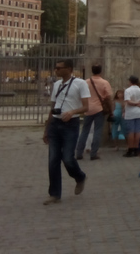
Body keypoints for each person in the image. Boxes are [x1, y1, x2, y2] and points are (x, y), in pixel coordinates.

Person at [42, 59, 89, 205]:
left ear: (69, 69)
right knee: (53, 160)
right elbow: (53, 106)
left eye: (59, 68)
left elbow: (86, 107)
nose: (56, 70)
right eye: (55, 68)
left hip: (70, 124)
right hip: (55, 124)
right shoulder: (56, 85)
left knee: (67, 158)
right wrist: (46, 129)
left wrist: (72, 112)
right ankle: (54, 194)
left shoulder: (80, 83)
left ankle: (80, 177)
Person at [75, 64, 112, 161]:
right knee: (97, 131)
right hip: (99, 109)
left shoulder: (85, 82)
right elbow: (108, 97)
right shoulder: (104, 82)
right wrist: (111, 109)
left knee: (84, 131)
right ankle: (93, 153)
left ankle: (79, 153)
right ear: (100, 71)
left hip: (87, 109)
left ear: (91, 70)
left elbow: (80, 95)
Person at [123, 75, 140, 157]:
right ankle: (137, 149)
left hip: (130, 113)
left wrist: (135, 103)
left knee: (130, 132)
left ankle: (130, 149)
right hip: (139, 113)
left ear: (130, 81)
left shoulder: (128, 90)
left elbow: (128, 101)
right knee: (138, 132)